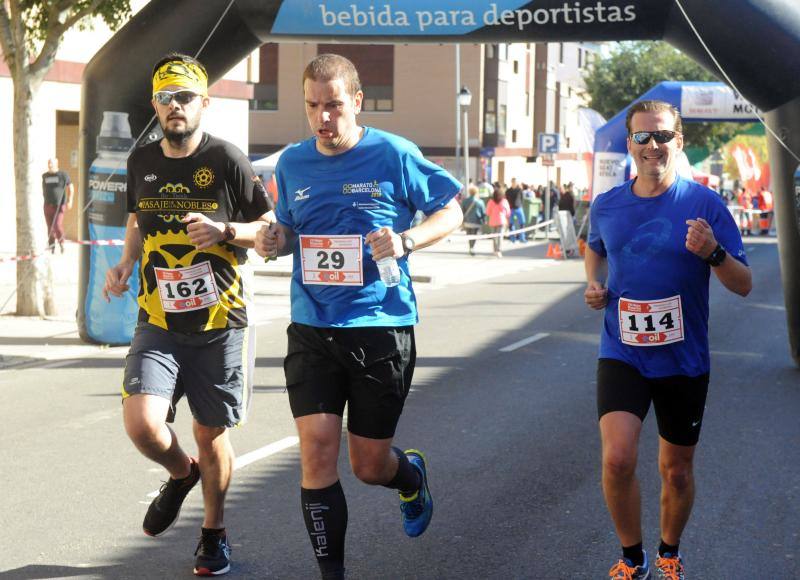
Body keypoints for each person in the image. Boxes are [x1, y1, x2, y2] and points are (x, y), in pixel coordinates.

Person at [254, 54, 462, 580]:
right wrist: (275, 239)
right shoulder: (293, 163)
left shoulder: (393, 154)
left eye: (334, 106)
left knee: (369, 466)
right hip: (311, 327)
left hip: (379, 326)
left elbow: (453, 209)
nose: (324, 117)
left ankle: (409, 475)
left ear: (357, 102)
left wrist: (408, 238)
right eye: (313, 106)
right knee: (316, 453)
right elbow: (290, 231)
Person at [102, 53, 274, 577]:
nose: (174, 107)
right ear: (155, 105)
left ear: (204, 101)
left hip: (220, 323)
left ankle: (214, 533)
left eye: (184, 97)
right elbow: (137, 217)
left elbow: (268, 231)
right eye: (164, 98)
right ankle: (181, 476)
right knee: (143, 426)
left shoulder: (227, 159)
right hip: (157, 317)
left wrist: (224, 231)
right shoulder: (142, 161)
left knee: (209, 432)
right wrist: (126, 263)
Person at [584, 100, 751, 580]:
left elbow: (743, 285)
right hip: (622, 350)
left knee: (675, 470)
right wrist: (594, 285)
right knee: (617, 458)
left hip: (684, 359)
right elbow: (594, 250)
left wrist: (713, 252)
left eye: (661, 136)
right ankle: (632, 558)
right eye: (642, 137)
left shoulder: (704, 205)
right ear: (630, 143)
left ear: (678, 142)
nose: (652, 145)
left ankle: (669, 552)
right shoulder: (608, 205)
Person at [41, 157, 74, 252]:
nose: (50, 165)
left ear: (57, 164)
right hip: (47, 205)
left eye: (52, 163)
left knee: (57, 225)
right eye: (49, 163)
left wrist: (70, 200)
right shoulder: (45, 176)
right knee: (50, 227)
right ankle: (52, 246)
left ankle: (62, 243)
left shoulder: (63, 175)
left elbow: (71, 187)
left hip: (59, 205)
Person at [461, 184, 486, 256]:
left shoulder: (465, 200)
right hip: (476, 221)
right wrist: (484, 221)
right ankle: (472, 247)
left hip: (467, 221)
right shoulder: (480, 202)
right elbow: (483, 213)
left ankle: (470, 247)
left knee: (469, 235)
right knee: (474, 235)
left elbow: (462, 211)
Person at [486, 186, 511, 258]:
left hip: (492, 221)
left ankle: (495, 250)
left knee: (494, 237)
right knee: (500, 236)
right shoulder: (504, 201)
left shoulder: (490, 201)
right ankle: (499, 250)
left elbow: (487, 212)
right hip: (501, 221)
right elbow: (508, 212)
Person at [505, 177, 527, 242]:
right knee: (511, 224)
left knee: (522, 223)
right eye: (513, 182)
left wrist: (520, 205)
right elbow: (506, 200)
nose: (514, 183)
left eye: (515, 182)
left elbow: (522, 199)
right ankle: (512, 238)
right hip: (511, 209)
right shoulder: (508, 191)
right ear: (511, 182)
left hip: (519, 208)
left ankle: (522, 238)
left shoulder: (519, 190)